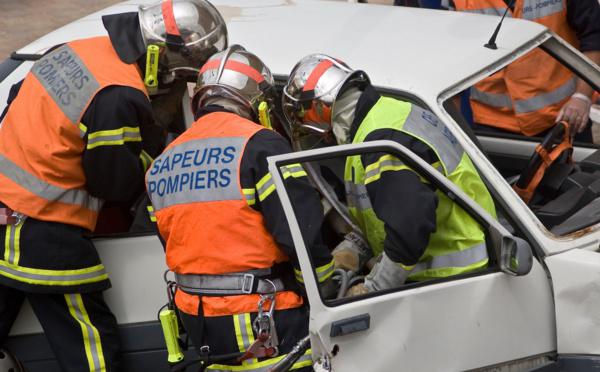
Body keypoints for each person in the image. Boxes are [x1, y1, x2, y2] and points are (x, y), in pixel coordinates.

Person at [0, 0, 227, 370]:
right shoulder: (120, 93)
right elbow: (114, 183)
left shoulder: (75, 49)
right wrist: (157, 160)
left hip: (7, 215)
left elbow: (14, 102)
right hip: (43, 229)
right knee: (92, 344)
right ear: (161, 59)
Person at [145, 46, 334, 371]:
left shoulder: (162, 163)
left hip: (198, 319)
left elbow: (172, 239)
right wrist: (326, 290)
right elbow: (302, 235)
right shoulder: (261, 144)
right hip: (263, 319)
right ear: (257, 103)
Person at [282, 54, 496, 295]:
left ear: (322, 108)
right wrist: (353, 249)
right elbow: (383, 216)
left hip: (452, 280)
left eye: (305, 115)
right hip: (460, 269)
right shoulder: (385, 116)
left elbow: (409, 227)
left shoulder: (378, 142)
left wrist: (374, 287)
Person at [448, 0, 600, 141]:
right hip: (492, 123)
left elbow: (594, 36)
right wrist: (454, 125)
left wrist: (582, 98)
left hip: (563, 119)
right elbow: (450, 56)